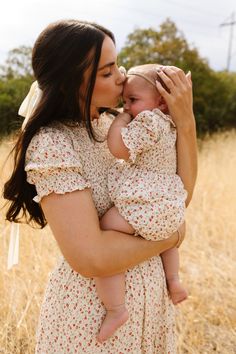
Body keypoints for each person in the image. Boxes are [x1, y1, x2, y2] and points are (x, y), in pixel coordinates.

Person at [3, 19, 197, 353]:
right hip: (91, 316)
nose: (121, 78)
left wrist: (186, 121)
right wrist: (172, 236)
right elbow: (91, 258)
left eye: (116, 65)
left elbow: (176, 197)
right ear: (70, 84)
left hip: (150, 304)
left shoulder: (117, 125)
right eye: (107, 73)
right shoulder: (54, 144)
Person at [95, 63, 189, 343]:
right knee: (164, 237)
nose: (127, 107)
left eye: (133, 101)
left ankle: (116, 309)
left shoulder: (148, 122)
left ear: (160, 102)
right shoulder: (169, 123)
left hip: (148, 202)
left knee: (106, 227)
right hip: (168, 205)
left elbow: (117, 148)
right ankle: (173, 280)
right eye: (125, 101)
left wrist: (121, 120)